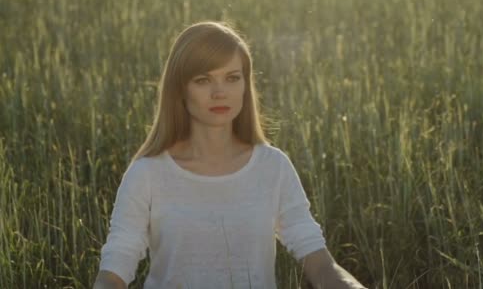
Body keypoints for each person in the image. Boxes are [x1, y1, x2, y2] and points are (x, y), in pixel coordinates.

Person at [93, 21, 367, 289]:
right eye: (203, 80)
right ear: (180, 90)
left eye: (232, 78)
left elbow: (320, 264)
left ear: (246, 86)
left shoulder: (273, 167)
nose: (219, 92)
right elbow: (114, 272)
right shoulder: (147, 173)